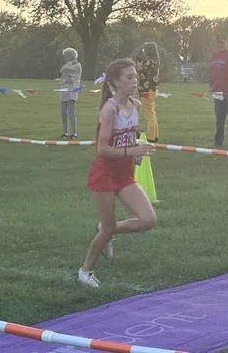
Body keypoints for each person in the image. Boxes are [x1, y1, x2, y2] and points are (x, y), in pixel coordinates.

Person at [80, 58, 157, 288]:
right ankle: (85, 272)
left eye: (136, 77)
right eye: (129, 78)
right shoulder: (110, 109)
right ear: (115, 82)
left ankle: (105, 229)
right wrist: (131, 150)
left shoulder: (136, 105)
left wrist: (134, 153)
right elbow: (102, 149)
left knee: (148, 220)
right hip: (104, 175)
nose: (135, 82)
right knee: (108, 230)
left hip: (124, 174)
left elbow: (129, 135)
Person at [136, 42, 160, 143]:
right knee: (152, 112)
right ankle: (155, 135)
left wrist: (138, 66)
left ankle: (150, 137)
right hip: (153, 89)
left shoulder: (149, 62)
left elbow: (143, 75)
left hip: (147, 90)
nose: (143, 52)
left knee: (149, 114)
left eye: (144, 50)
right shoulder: (155, 61)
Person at [59, 47, 82, 139]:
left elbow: (64, 69)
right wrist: (65, 80)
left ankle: (74, 133)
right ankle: (65, 132)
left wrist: (71, 62)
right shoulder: (68, 65)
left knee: (71, 112)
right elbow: (62, 75)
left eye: (66, 56)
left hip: (72, 91)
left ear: (70, 57)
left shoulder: (77, 66)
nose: (64, 58)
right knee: (63, 113)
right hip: (64, 91)